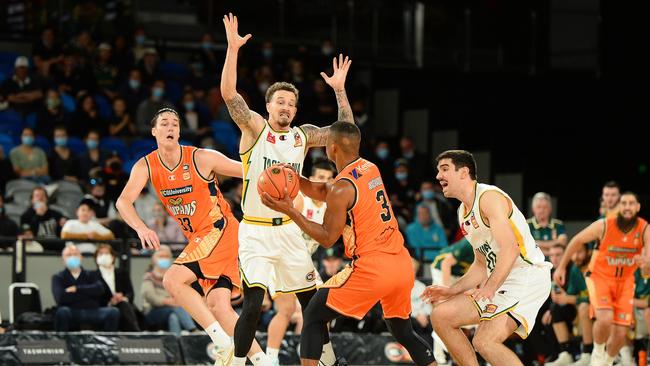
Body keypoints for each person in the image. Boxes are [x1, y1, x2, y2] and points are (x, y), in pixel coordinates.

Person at [220, 13, 354, 366]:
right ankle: (236, 363)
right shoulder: (254, 130)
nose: (286, 107)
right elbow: (229, 94)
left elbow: (346, 133)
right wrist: (233, 49)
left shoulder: (302, 136)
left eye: (291, 103)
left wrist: (339, 91)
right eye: (280, 101)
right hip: (255, 233)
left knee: (312, 307)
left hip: (290, 232)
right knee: (252, 306)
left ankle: (327, 360)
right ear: (268, 106)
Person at [261, 121, 435, 366]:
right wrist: (294, 178)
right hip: (401, 264)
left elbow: (327, 237)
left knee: (312, 314)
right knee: (403, 332)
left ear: (331, 148)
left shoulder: (342, 188)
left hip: (373, 268)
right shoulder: (369, 168)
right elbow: (326, 190)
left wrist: (291, 211)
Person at [115, 108, 266, 365]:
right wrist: (141, 227)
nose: (170, 127)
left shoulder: (201, 158)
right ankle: (265, 361)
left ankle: (222, 344)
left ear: (179, 131)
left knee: (172, 280)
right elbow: (123, 202)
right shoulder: (146, 165)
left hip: (220, 229)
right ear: (154, 131)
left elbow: (248, 171)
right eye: (164, 123)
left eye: (175, 123)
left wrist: (273, 159)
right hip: (201, 237)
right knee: (219, 306)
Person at [422, 149, 551, 366]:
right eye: (438, 171)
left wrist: (489, 288)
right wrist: (452, 290)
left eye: (444, 169)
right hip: (504, 280)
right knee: (441, 317)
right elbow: (481, 264)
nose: (438, 176)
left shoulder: (489, 197)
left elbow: (510, 249)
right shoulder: (462, 213)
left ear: (464, 172)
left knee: (485, 341)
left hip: (527, 276)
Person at [554, 192, 650, 366]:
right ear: (619, 208)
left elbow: (648, 262)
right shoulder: (604, 225)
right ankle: (597, 354)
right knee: (605, 318)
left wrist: (645, 264)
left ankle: (607, 360)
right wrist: (561, 267)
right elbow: (576, 240)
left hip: (626, 282)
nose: (627, 206)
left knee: (621, 333)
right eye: (624, 203)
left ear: (637, 207)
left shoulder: (644, 228)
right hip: (601, 278)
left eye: (631, 203)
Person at [265, 159, 336, 365]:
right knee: (286, 310)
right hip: (282, 257)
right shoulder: (300, 199)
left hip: (304, 262)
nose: (325, 183)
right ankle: (270, 359)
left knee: (322, 311)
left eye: (329, 178)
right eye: (320, 178)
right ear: (311, 179)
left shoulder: (331, 205)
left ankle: (316, 353)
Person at [52, 244, 119, 331]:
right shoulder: (58, 277)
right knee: (62, 312)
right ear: (63, 259)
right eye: (69, 255)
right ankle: (62, 342)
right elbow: (61, 298)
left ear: (81, 257)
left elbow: (99, 290)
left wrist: (76, 289)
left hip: (93, 311)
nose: (72, 257)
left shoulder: (91, 274)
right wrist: (88, 293)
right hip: (71, 311)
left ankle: (107, 343)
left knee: (113, 312)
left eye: (75, 254)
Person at [429, 238, 474, 364]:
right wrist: (447, 291)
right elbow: (446, 263)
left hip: (461, 275)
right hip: (441, 269)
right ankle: (440, 359)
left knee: (464, 316)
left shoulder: (492, 246)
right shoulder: (468, 244)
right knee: (444, 313)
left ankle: (451, 356)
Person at [141, 245, 197, 334]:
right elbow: (150, 296)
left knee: (173, 316)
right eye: (161, 256)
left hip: (175, 310)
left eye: (166, 257)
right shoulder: (149, 277)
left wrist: (177, 301)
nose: (164, 259)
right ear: (154, 259)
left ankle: (176, 341)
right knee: (175, 308)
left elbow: (184, 293)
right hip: (153, 312)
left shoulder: (175, 277)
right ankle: (193, 330)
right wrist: (167, 301)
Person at [93, 243, 141, 331]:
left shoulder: (122, 273)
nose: (104, 256)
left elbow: (130, 293)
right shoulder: (93, 276)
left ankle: (135, 334)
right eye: (100, 254)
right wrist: (111, 302)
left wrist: (123, 298)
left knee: (124, 306)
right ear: (96, 258)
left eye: (107, 253)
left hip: (123, 304)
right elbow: (94, 296)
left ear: (113, 257)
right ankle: (136, 333)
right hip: (104, 306)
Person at [526, 192, 568, 256]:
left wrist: (536, 244)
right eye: (539, 207)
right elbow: (526, 246)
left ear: (550, 209)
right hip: (533, 264)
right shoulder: (526, 224)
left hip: (555, 264)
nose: (542, 210)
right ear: (533, 209)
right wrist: (553, 250)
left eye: (545, 207)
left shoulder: (558, 224)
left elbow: (563, 242)